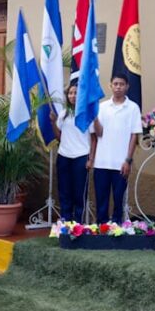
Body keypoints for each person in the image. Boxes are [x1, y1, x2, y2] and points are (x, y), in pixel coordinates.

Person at [91, 74, 142, 224]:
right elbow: (98, 133)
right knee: (101, 198)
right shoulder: (102, 107)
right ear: (110, 86)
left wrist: (128, 160)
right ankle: (101, 226)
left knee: (118, 199)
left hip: (120, 163)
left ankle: (117, 228)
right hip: (101, 162)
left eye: (121, 84)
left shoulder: (133, 108)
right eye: (115, 84)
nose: (118, 87)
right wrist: (95, 119)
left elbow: (134, 135)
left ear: (127, 86)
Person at [51, 84, 91, 222]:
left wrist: (91, 158)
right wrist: (53, 122)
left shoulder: (86, 114)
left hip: (81, 156)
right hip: (64, 156)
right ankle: (66, 219)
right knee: (64, 190)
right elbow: (59, 136)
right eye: (70, 93)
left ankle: (78, 222)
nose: (73, 96)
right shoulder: (63, 114)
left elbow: (94, 137)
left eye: (76, 93)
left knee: (79, 191)